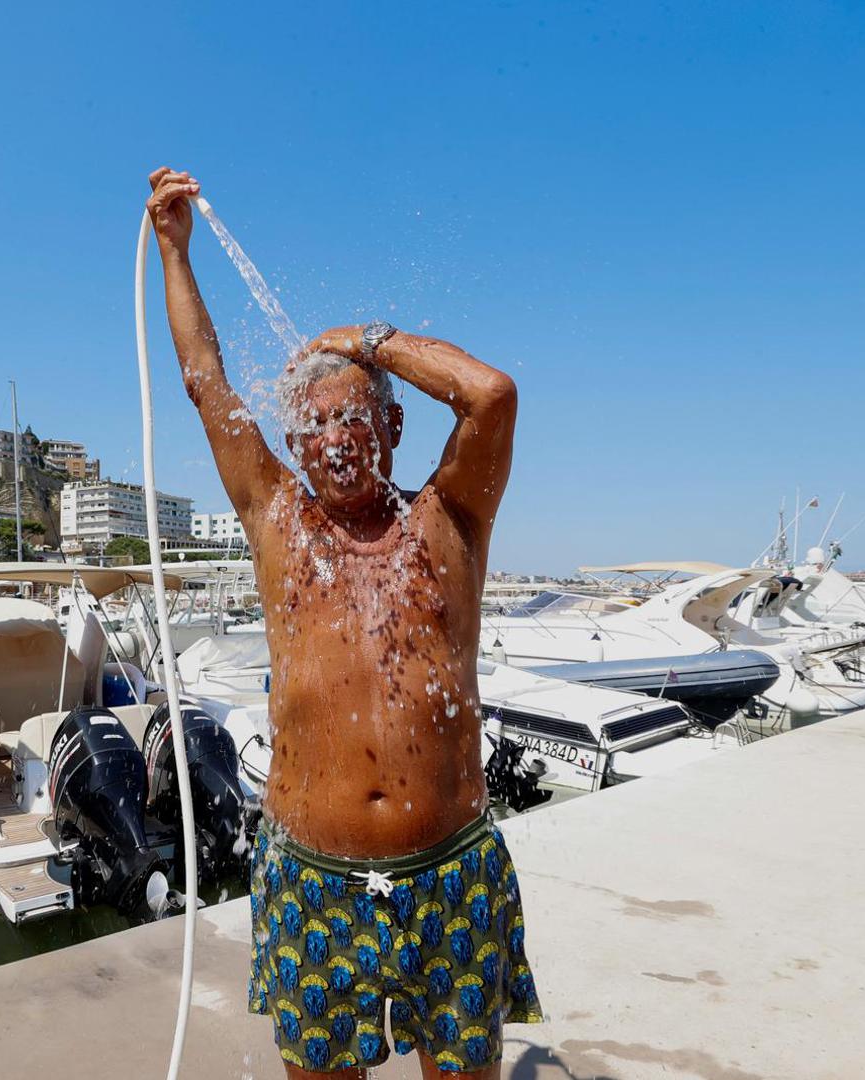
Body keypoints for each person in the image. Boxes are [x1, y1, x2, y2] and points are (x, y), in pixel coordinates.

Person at [146, 167, 540, 1078]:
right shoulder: (279, 523)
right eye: (313, 425)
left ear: (392, 426)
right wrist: (175, 250)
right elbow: (207, 384)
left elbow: (493, 396)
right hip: (313, 881)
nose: (333, 439)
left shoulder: (450, 520)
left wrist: (371, 339)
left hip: (452, 872)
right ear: (292, 442)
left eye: (353, 418)